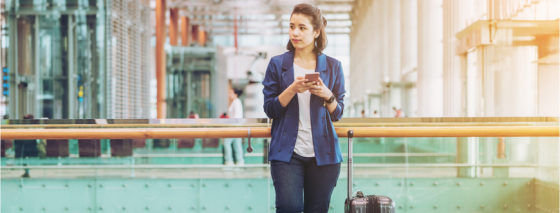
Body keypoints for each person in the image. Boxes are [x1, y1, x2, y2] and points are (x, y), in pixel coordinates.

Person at [262, 3, 346, 212]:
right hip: (287, 154)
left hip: (324, 154)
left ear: (316, 32)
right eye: (292, 27)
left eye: (302, 28)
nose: (295, 33)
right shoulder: (277, 64)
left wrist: (328, 95)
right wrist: (292, 89)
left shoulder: (334, 66)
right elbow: (270, 109)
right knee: (289, 207)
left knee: (317, 209)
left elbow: (338, 113)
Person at [223, 88, 244, 166]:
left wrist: (233, 126)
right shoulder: (234, 102)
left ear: (235, 94)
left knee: (227, 142)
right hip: (235, 126)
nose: (229, 94)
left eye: (231, 92)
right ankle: (240, 161)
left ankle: (229, 161)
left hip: (235, 126)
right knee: (237, 144)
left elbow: (237, 116)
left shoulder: (236, 102)